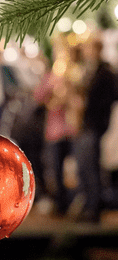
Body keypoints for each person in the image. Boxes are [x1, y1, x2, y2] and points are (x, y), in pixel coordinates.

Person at [33, 44, 85, 217]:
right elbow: (39, 96)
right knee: (55, 170)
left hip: (72, 129)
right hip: (55, 131)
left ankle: (75, 202)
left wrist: (68, 92)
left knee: (76, 169)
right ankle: (61, 203)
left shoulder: (75, 74)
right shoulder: (51, 76)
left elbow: (79, 101)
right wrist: (51, 85)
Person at [73, 37, 118, 223]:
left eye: (89, 49)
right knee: (83, 167)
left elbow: (110, 97)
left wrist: (89, 107)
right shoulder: (88, 70)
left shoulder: (105, 72)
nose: (86, 53)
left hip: (95, 125)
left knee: (91, 168)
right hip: (86, 124)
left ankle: (93, 208)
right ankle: (88, 206)